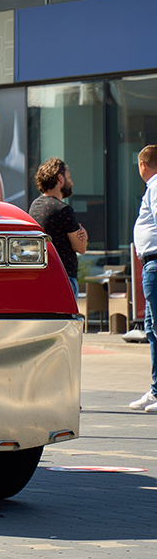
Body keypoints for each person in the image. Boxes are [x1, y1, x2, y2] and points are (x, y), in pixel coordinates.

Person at [30, 158, 87, 288]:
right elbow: (81, 248)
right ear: (60, 178)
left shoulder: (35, 206)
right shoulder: (63, 209)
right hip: (64, 278)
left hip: (42, 276)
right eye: (69, 177)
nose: (71, 182)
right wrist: (84, 236)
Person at [131, 145, 157, 413]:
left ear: (142, 165)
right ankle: (155, 389)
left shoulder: (155, 186)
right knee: (151, 330)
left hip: (155, 264)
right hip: (150, 264)